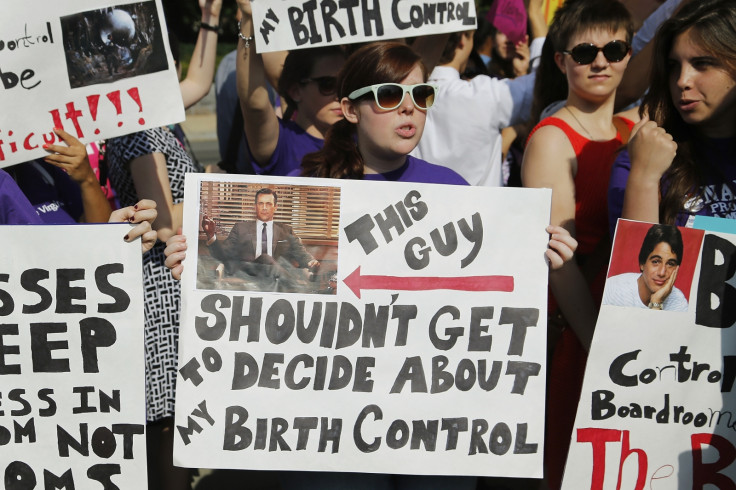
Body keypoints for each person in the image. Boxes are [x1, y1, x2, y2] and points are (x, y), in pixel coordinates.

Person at [165, 40, 579, 489]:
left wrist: (539, 256)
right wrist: (197, 264)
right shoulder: (304, 188)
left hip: (431, 429)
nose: (409, 110)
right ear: (349, 109)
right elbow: (256, 288)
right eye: (389, 96)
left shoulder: (456, 192)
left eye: (421, 96)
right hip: (327, 431)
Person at [104, 1, 221, 488]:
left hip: (166, 280)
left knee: (172, 424)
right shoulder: (139, 129)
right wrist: (211, 197)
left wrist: (212, 19)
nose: (175, 71)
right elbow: (166, 222)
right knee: (168, 425)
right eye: (163, 63)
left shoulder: (154, 118)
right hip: (160, 289)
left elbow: (199, 83)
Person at [520, 1, 634, 487]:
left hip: (630, 316)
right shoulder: (552, 139)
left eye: (615, 48)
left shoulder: (634, 130)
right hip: (578, 327)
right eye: (586, 50)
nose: (601, 61)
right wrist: (599, 349)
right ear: (562, 60)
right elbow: (557, 259)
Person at [616, 0, 736, 227]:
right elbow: (633, 261)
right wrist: (645, 179)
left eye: (702, 64)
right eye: (673, 66)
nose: (682, 81)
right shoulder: (642, 159)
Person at [410, 0, 546, 187]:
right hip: (483, 214)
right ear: (463, 40)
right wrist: (535, 15)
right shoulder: (483, 95)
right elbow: (543, 84)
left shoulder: (393, 96)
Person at [236, 0, 345, 176]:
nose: (340, 95)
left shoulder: (365, 139)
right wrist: (249, 20)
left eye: (345, 84)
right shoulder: (282, 142)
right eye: (328, 84)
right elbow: (254, 102)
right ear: (295, 91)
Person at [201, 188, 319, 278]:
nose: (264, 207)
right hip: (248, 277)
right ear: (255, 207)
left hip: (276, 279)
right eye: (260, 203)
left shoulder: (286, 230)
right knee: (265, 258)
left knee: (268, 260)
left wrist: (310, 262)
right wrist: (211, 235)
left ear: (275, 207)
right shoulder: (240, 228)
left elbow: (300, 253)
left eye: (268, 204)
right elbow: (223, 255)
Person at [603, 224, 688, 311]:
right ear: (642, 263)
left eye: (670, 264)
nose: (662, 272)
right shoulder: (613, 288)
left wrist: (656, 302)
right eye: (656, 261)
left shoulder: (679, 303)